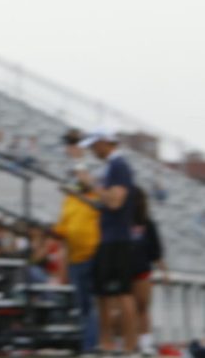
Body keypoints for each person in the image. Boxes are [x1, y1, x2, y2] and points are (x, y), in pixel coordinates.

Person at [76, 128, 138, 355]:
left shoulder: (119, 166)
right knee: (103, 293)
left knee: (122, 293)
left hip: (118, 239)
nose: (92, 150)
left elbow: (115, 202)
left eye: (94, 145)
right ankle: (107, 343)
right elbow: (108, 204)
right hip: (109, 237)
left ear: (104, 143)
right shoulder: (113, 167)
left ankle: (129, 346)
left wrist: (91, 185)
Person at [53, 160, 101, 354]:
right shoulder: (70, 200)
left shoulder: (95, 196)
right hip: (75, 258)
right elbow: (63, 230)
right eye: (75, 174)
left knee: (92, 304)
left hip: (93, 255)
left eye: (81, 174)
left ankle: (91, 345)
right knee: (82, 304)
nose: (77, 178)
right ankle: (86, 344)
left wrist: (87, 182)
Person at [129, 187, 168, 357]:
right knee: (128, 308)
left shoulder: (148, 224)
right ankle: (130, 340)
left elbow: (156, 251)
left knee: (142, 307)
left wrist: (164, 271)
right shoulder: (121, 222)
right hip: (124, 271)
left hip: (142, 271)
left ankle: (145, 341)